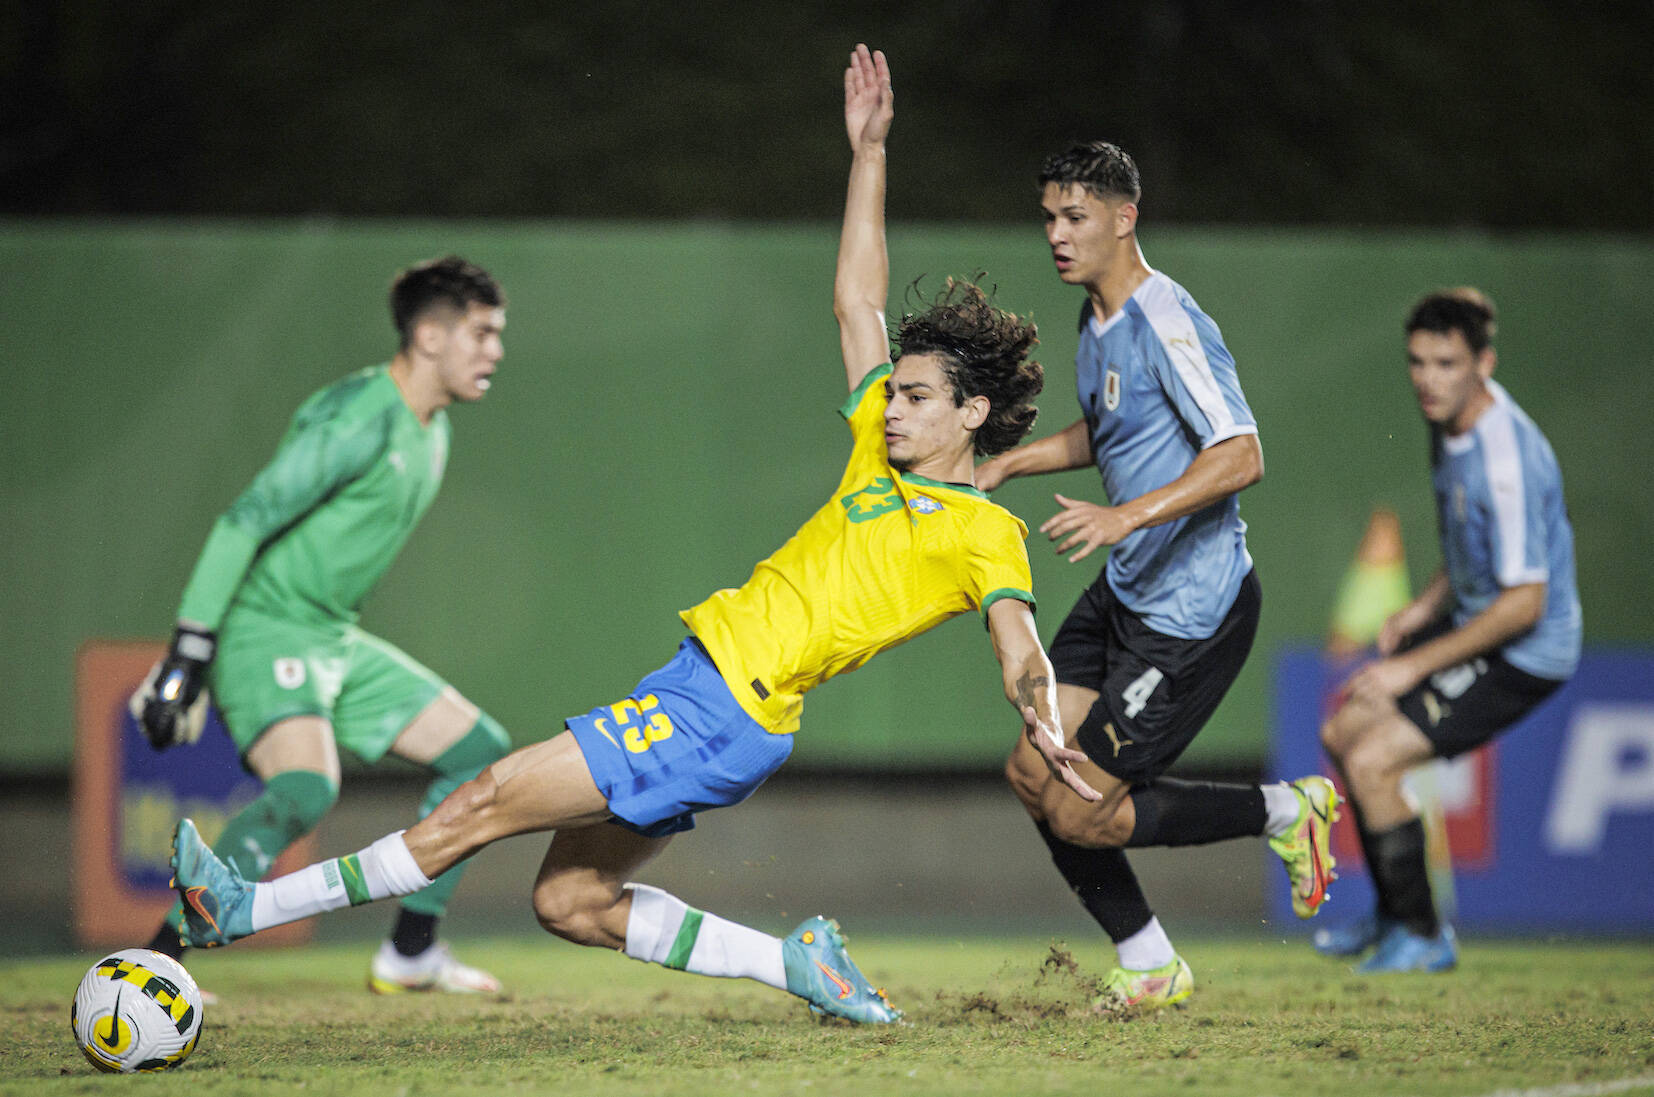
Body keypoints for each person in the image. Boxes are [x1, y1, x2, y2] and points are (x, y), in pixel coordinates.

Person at [166, 44, 1090, 1026]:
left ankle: (239, 907)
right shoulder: (878, 454)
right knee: (569, 902)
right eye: (892, 392)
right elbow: (856, 300)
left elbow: (1016, 637)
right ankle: (803, 964)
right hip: (704, 693)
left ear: (974, 411)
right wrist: (868, 154)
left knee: (479, 798)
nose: (892, 408)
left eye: (914, 398)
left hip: (724, 710)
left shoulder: (983, 529)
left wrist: (1040, 710)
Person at [975, 141, 1338, 1012]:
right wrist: (1007, 464)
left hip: (1192, 611)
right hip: (1129, 590)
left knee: (1083, 810)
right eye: (1049, 220)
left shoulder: (1166, 318)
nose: (1057, 237)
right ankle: (1150, 962)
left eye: (1076, 218)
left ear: (1124, 218)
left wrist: (1122, 516)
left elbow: (1242, 454)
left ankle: (1286, 812)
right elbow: (1115, 431)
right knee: (1033, 773)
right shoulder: (1097, 317)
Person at [131, 256, 513, 995]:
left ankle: (410, 952)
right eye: (483, 332)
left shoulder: (431, 428)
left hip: (332, 638)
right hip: (269, 628)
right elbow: (245, 518)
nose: (496, 349)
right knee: (306, 788)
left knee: (478, 753)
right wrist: (189, 652)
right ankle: (159, 961)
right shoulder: (360, 416)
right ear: (430, 335)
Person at [1314, 288, 1580, 972]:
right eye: (1418, 361)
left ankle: (1426, 935)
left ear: (1483, 364)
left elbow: (1524, 600)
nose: (1429, 378)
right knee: (1342, 733)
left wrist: (1415, 660)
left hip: (1526, 650)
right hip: (1477, 622)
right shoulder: (1448, 423)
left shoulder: (1506, 459)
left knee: (1374, 759)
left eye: (1448, 362)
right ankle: (1395, 913)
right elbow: (1471, 548)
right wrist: (1425, 605)